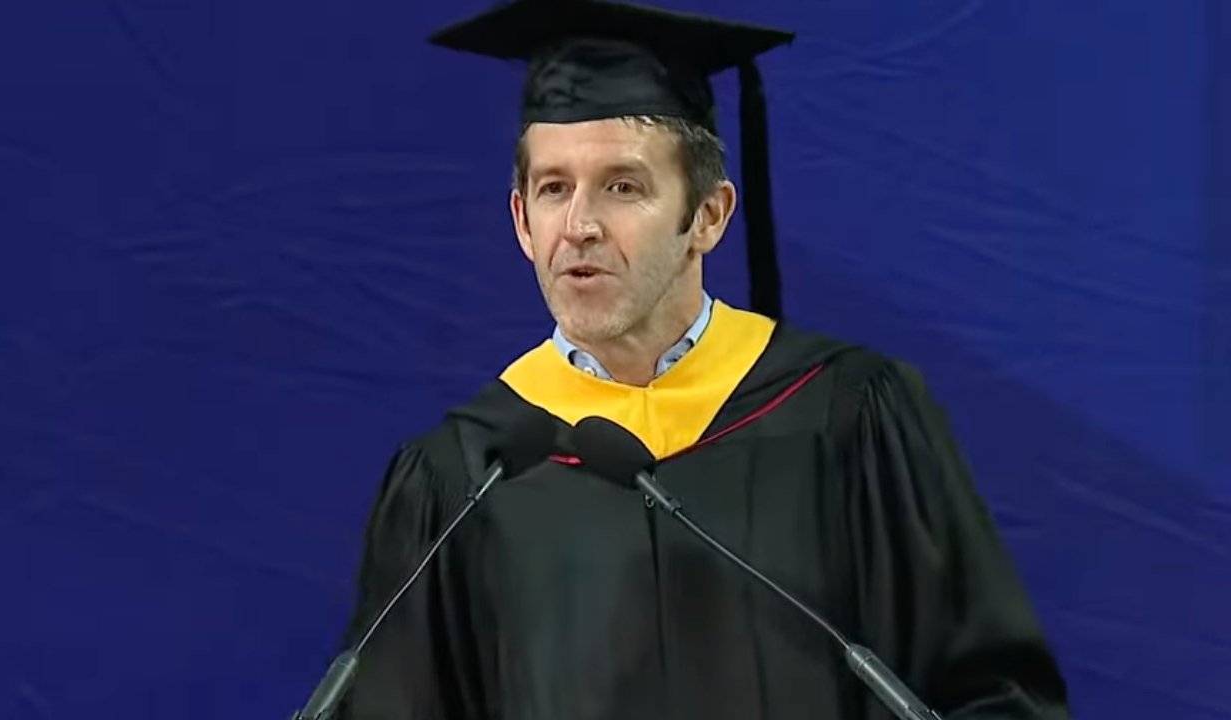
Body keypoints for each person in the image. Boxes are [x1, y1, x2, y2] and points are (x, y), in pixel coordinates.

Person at [336, 1, 1071, 718]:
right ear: (522, 221)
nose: (581, 226)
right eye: (554, 188)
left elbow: (994, 695)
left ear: (709, 216)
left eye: (623, 187)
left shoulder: (847, 415)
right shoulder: (464, 475)